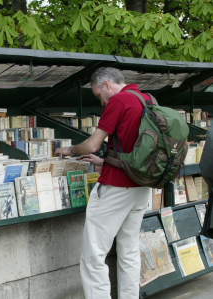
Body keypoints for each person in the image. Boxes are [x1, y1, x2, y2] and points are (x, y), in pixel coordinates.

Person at [55, 67, 152, 299]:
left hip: (117, 186)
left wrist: (68, 150)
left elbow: (91, 145)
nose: (101, 102)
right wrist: (103, 160)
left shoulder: (119, 101)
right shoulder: (147, 98)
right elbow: (133, 147)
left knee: (93, 254)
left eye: (99, 95)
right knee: (128, 250)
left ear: (107, 84)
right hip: (141, 184)